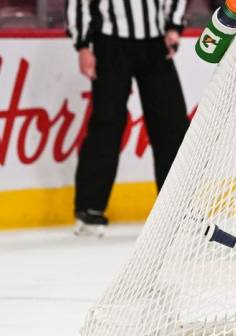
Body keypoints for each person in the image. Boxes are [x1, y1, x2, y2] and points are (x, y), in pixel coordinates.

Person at [66, 0, 190, 235]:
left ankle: (179, 207)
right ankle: (89, 209)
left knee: (172, 126)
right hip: (110, 42)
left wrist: (173, 26)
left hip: (155, 42)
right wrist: (82, 45)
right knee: (107, 123)